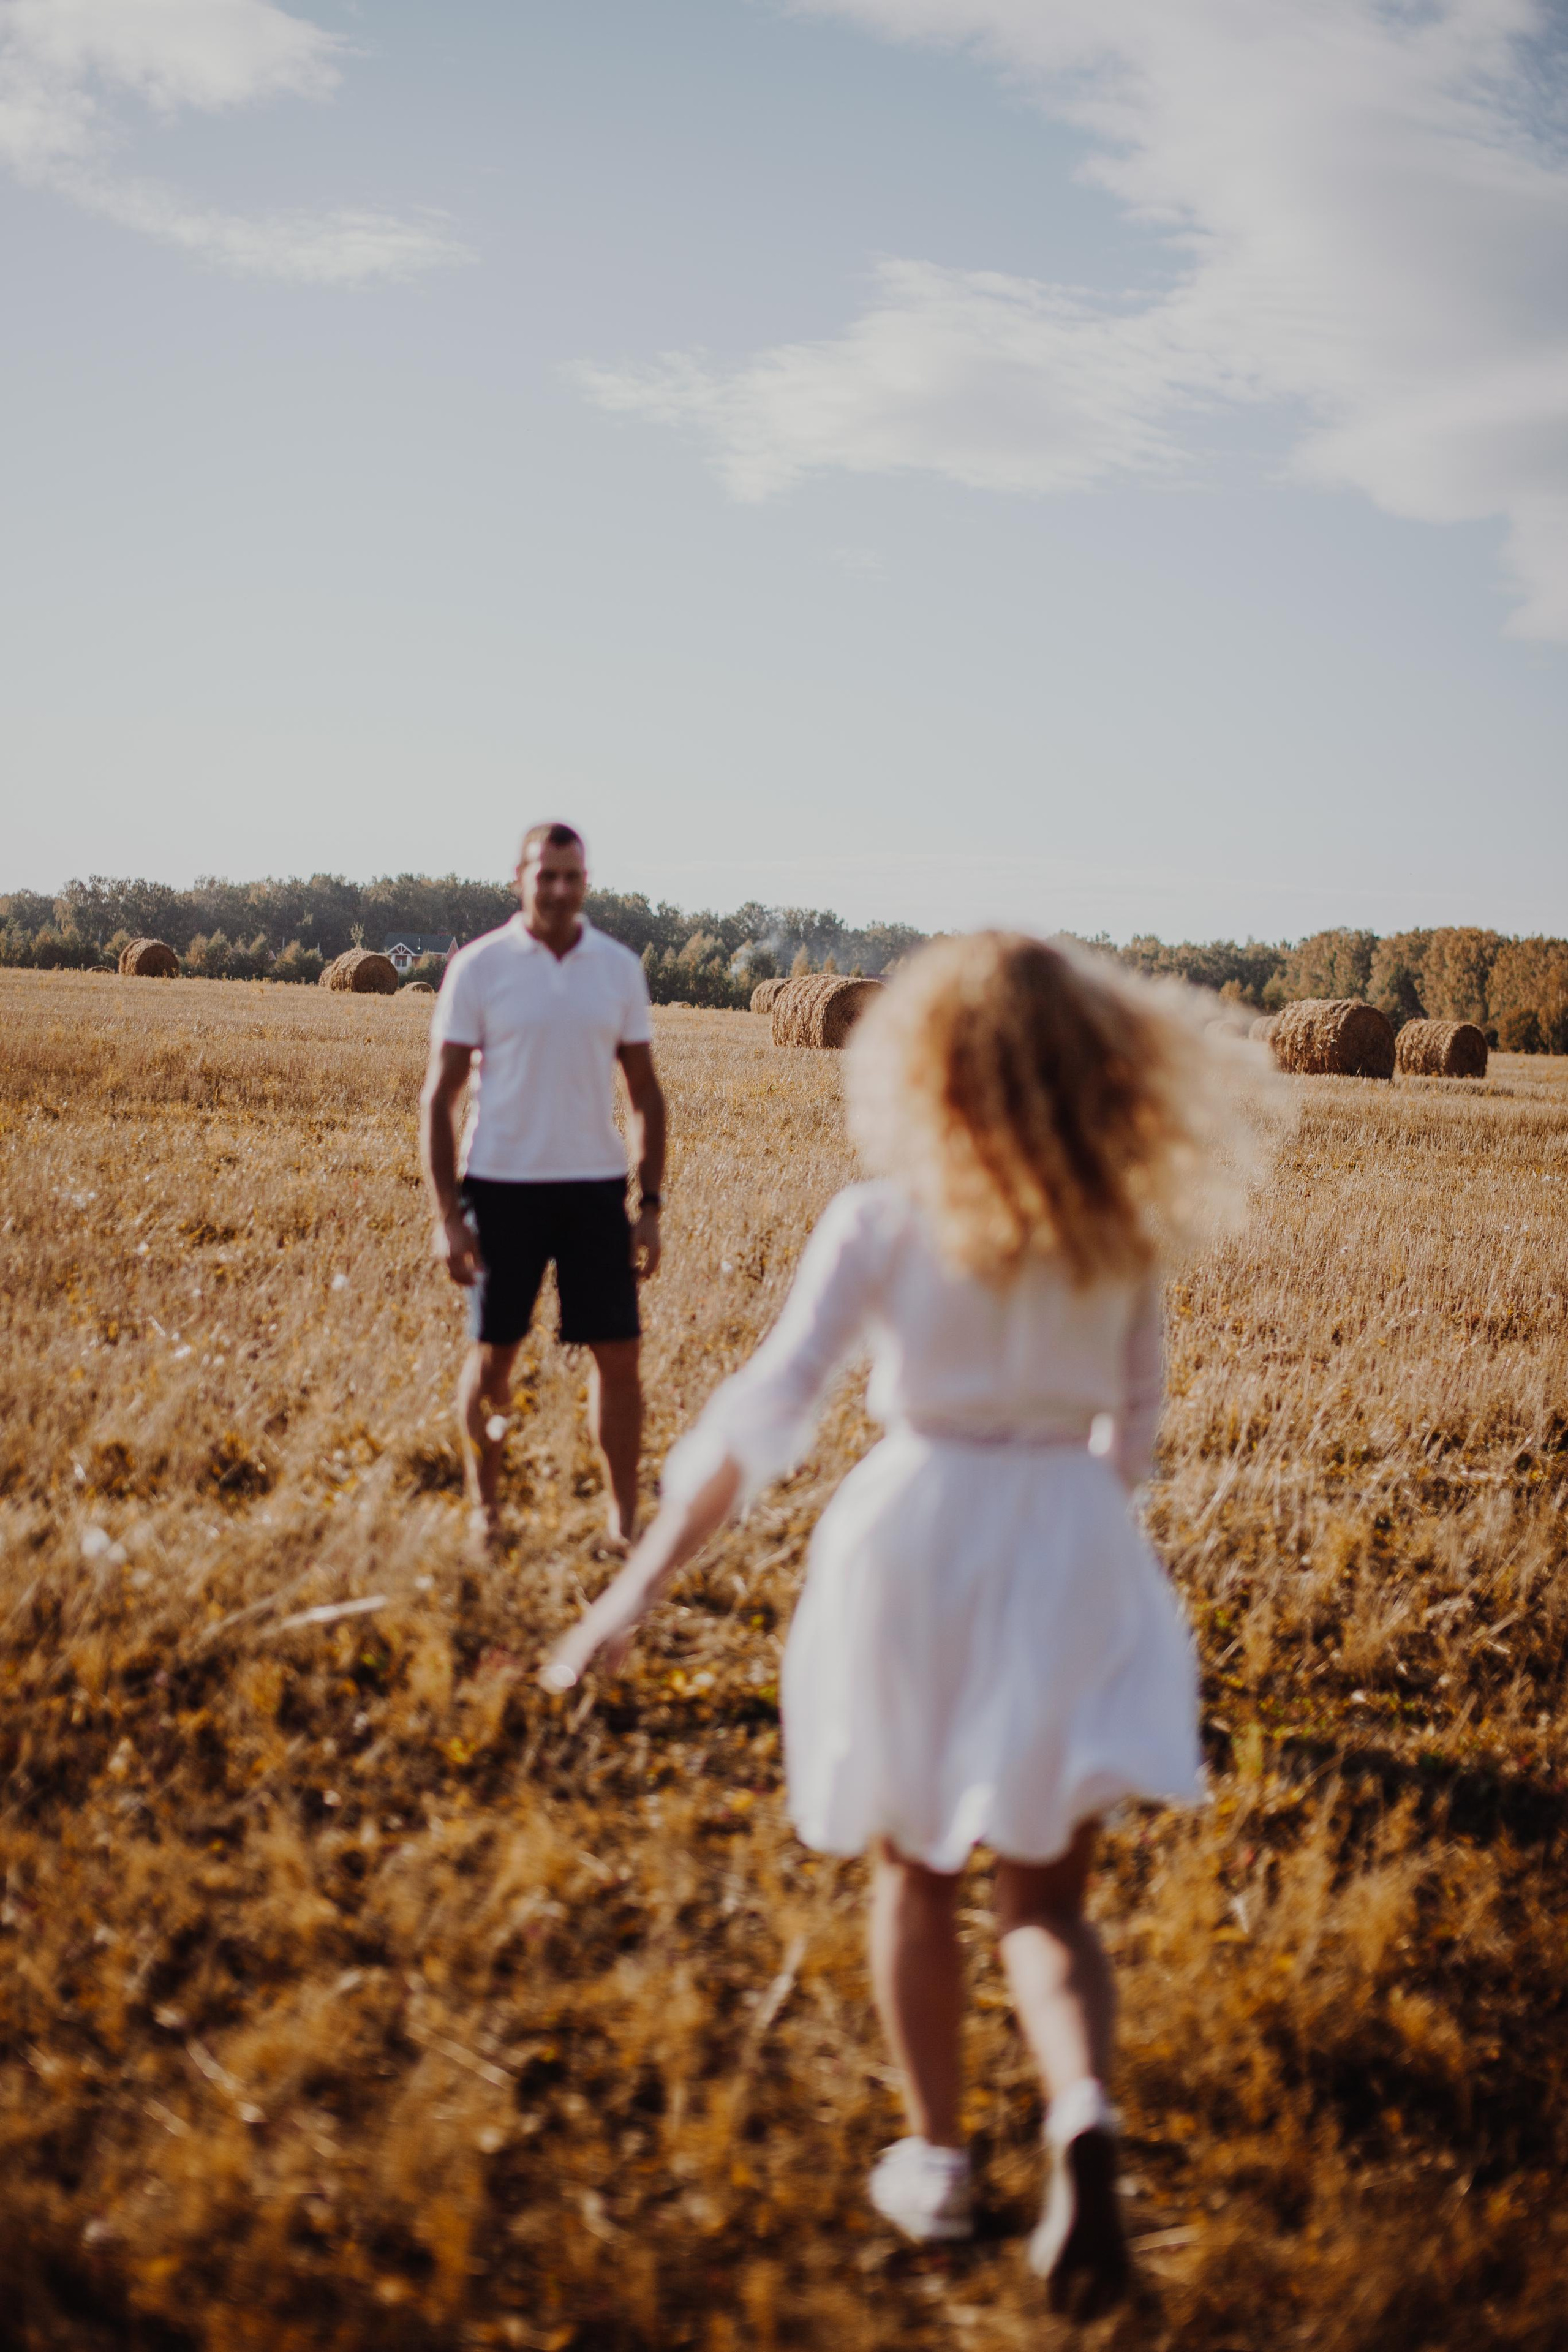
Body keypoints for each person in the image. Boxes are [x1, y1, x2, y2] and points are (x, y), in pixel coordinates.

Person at [543, 931, 1252, 2315]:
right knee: (1045, 1904)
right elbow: (1130, 1445)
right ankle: (1083, 2114)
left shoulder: (879, 1220)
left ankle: (936, 2162)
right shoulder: (1117, 1233)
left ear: (932, 1062)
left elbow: (765, 1413)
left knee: (916, 1871)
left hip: (917, 1533)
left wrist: (634, 1588)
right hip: (1069, 1538)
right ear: (1092, 1069)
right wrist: (1059, 1535)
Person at [421, 823, 666, 1556]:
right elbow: (440, 1098)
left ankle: (623, 1523)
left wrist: (649, 1206)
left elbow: (645, 1095)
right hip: (501, 1188)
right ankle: (487, 1513)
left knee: (618, 1357)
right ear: (520, 878)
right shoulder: (479, 967)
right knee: (494, 1358)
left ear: (586, 881)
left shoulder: (617, 968)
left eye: (572, 876)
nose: (559, 889)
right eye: (546, 875)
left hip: (595, 1190)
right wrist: (448, 1216)